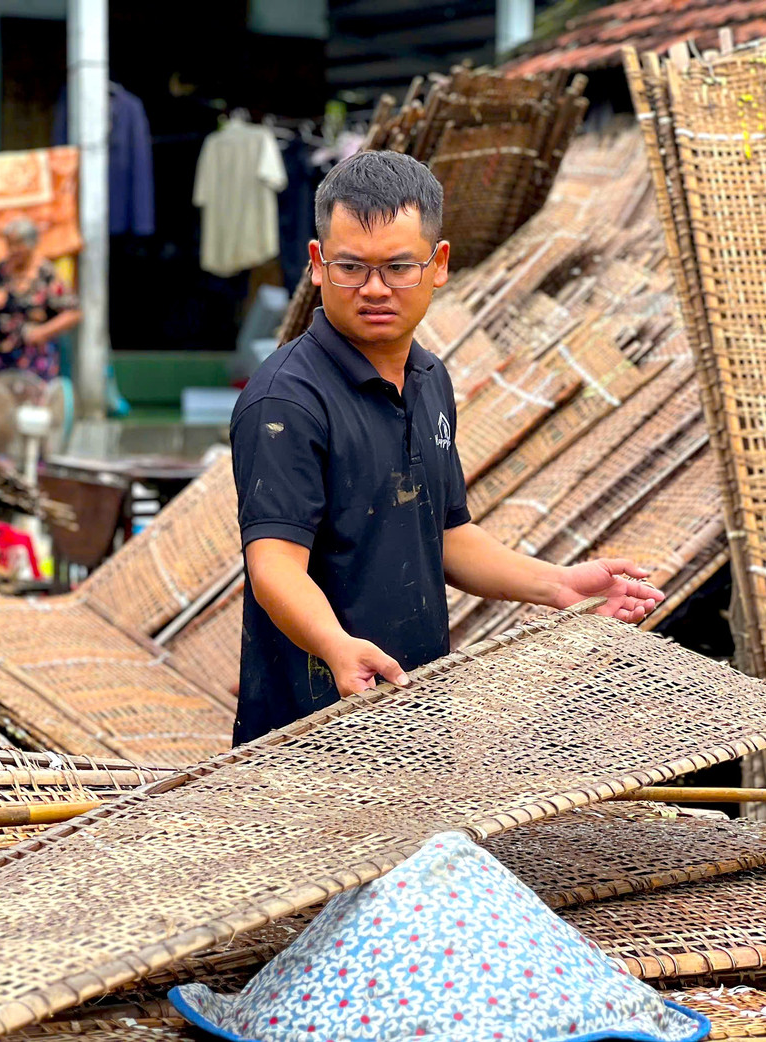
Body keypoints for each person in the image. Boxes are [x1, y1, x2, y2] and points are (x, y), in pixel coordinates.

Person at [229, 150, 664, 746]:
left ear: (439, 265)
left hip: (416, 714)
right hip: (309, 728)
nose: (375, 289)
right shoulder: (286, 402)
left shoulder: (429, 379)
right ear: (316, 263)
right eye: (351, 267)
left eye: (399, 267)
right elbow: (274, 565)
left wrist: (559, 586)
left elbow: (447, 535)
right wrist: (337, 647)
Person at [0, 217, 82, 379]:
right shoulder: (2, 271)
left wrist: (42, 332)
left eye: (18, 244)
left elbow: (74, 313)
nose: (13, 250)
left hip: (34, 354)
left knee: (31, 400)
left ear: (32, 244)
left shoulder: (45, 274)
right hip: (2, 352)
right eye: (9, 245)